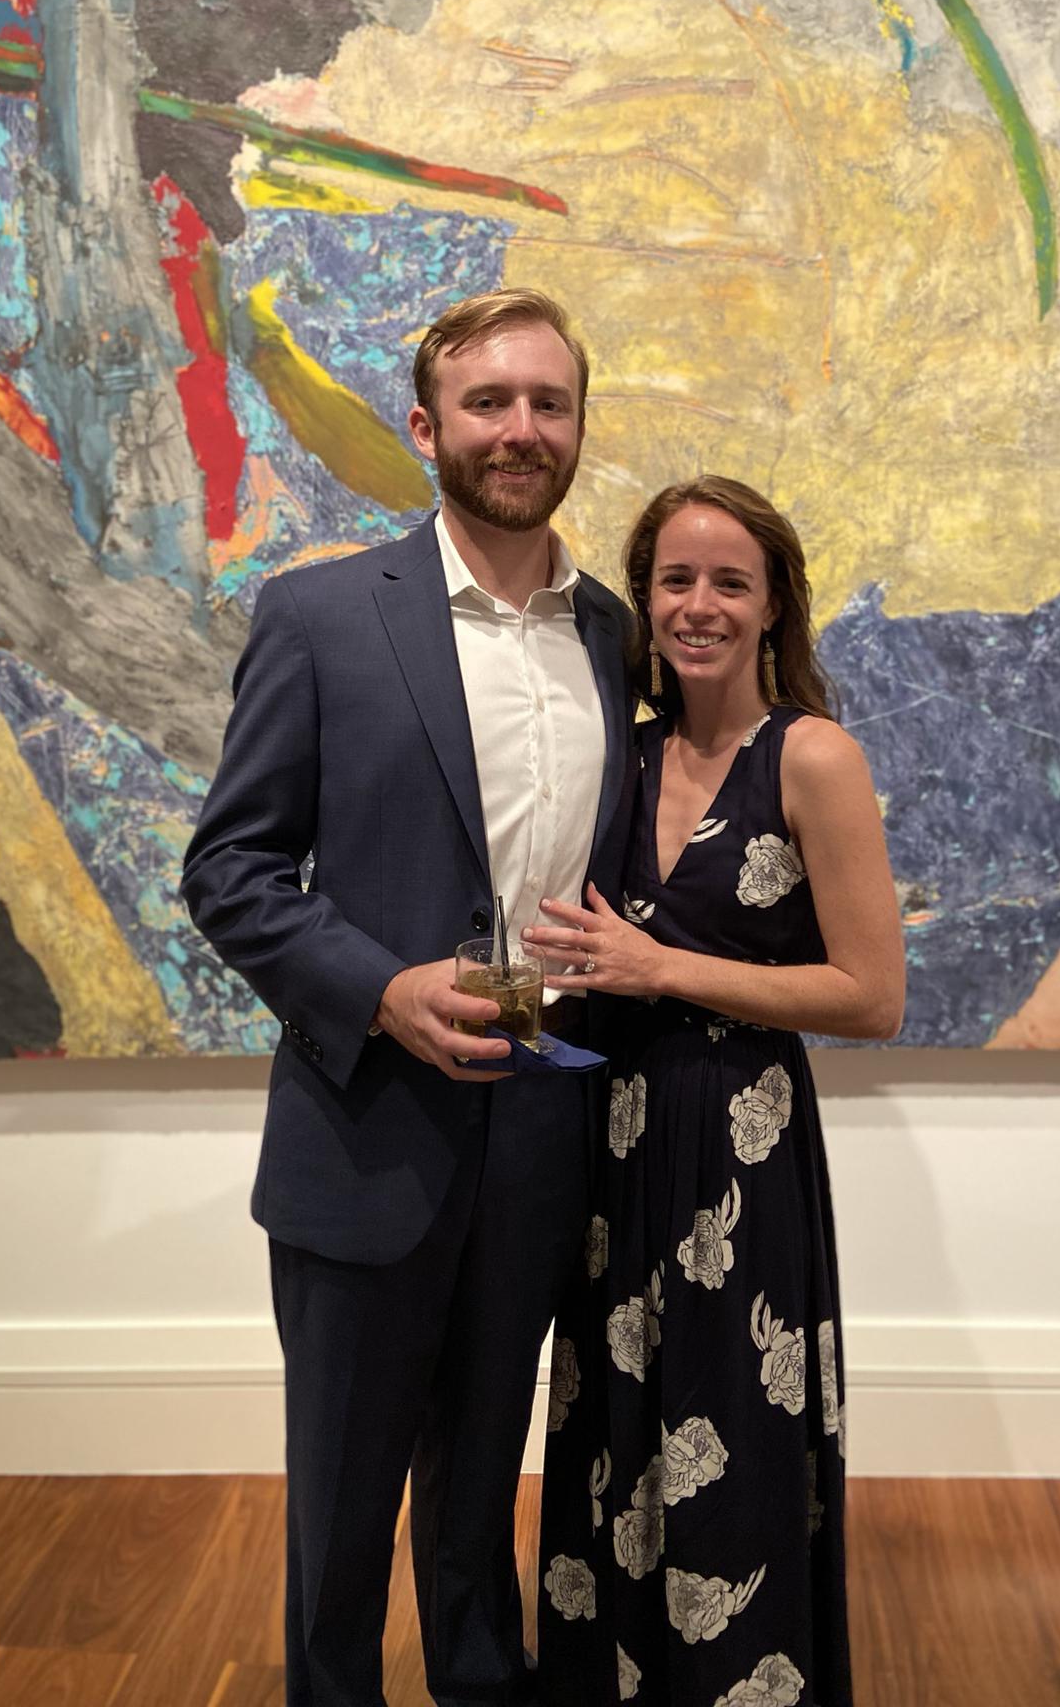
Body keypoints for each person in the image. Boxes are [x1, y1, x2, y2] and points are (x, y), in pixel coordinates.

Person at [181, 288, 635, 1707]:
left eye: (548, 402)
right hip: (367, 1133)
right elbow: (230, 869)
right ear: (428, 429)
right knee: (341, 1504)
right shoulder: (320, 616)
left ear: (579, 426)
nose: (521, 428)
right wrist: (380, 989)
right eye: (488, 402)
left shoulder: (615, 634)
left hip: (550, 1136)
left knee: (484, 1481)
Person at [525, 475, 905, 1707]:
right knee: (612, 1443)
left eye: (730, 581)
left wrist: (662, 966)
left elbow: (872, 995)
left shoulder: (812, 756)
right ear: (644, 599)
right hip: (611, 1151)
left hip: (742, 1159)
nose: (700, 604)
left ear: (773, 602)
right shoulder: (623, 756)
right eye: (676, 579)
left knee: (730, 1446)